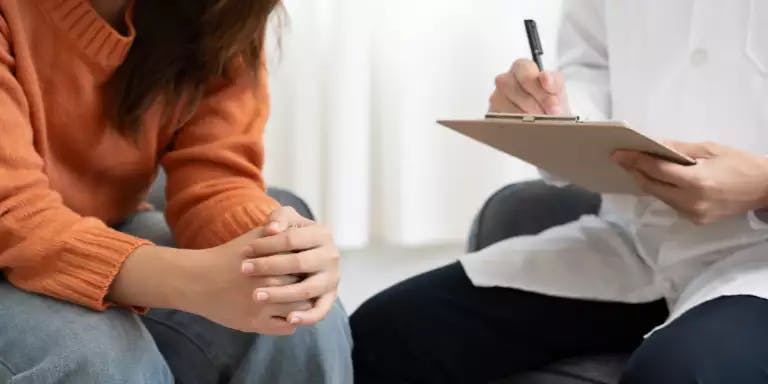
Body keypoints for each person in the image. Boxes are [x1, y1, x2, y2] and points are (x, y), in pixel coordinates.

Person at [351, 1, 768, 383]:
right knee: (386, 333)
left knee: (679, 374)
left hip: (759, 259)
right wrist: (549, 112)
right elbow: (588, 72)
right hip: (637, 242)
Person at [0, 1, 352, 383]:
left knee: (295, 315)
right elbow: (16, 217)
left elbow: (215, 178)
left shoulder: (220, 10)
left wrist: (275, 248)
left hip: (98, 224)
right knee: (97, 355)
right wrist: (195, 281)